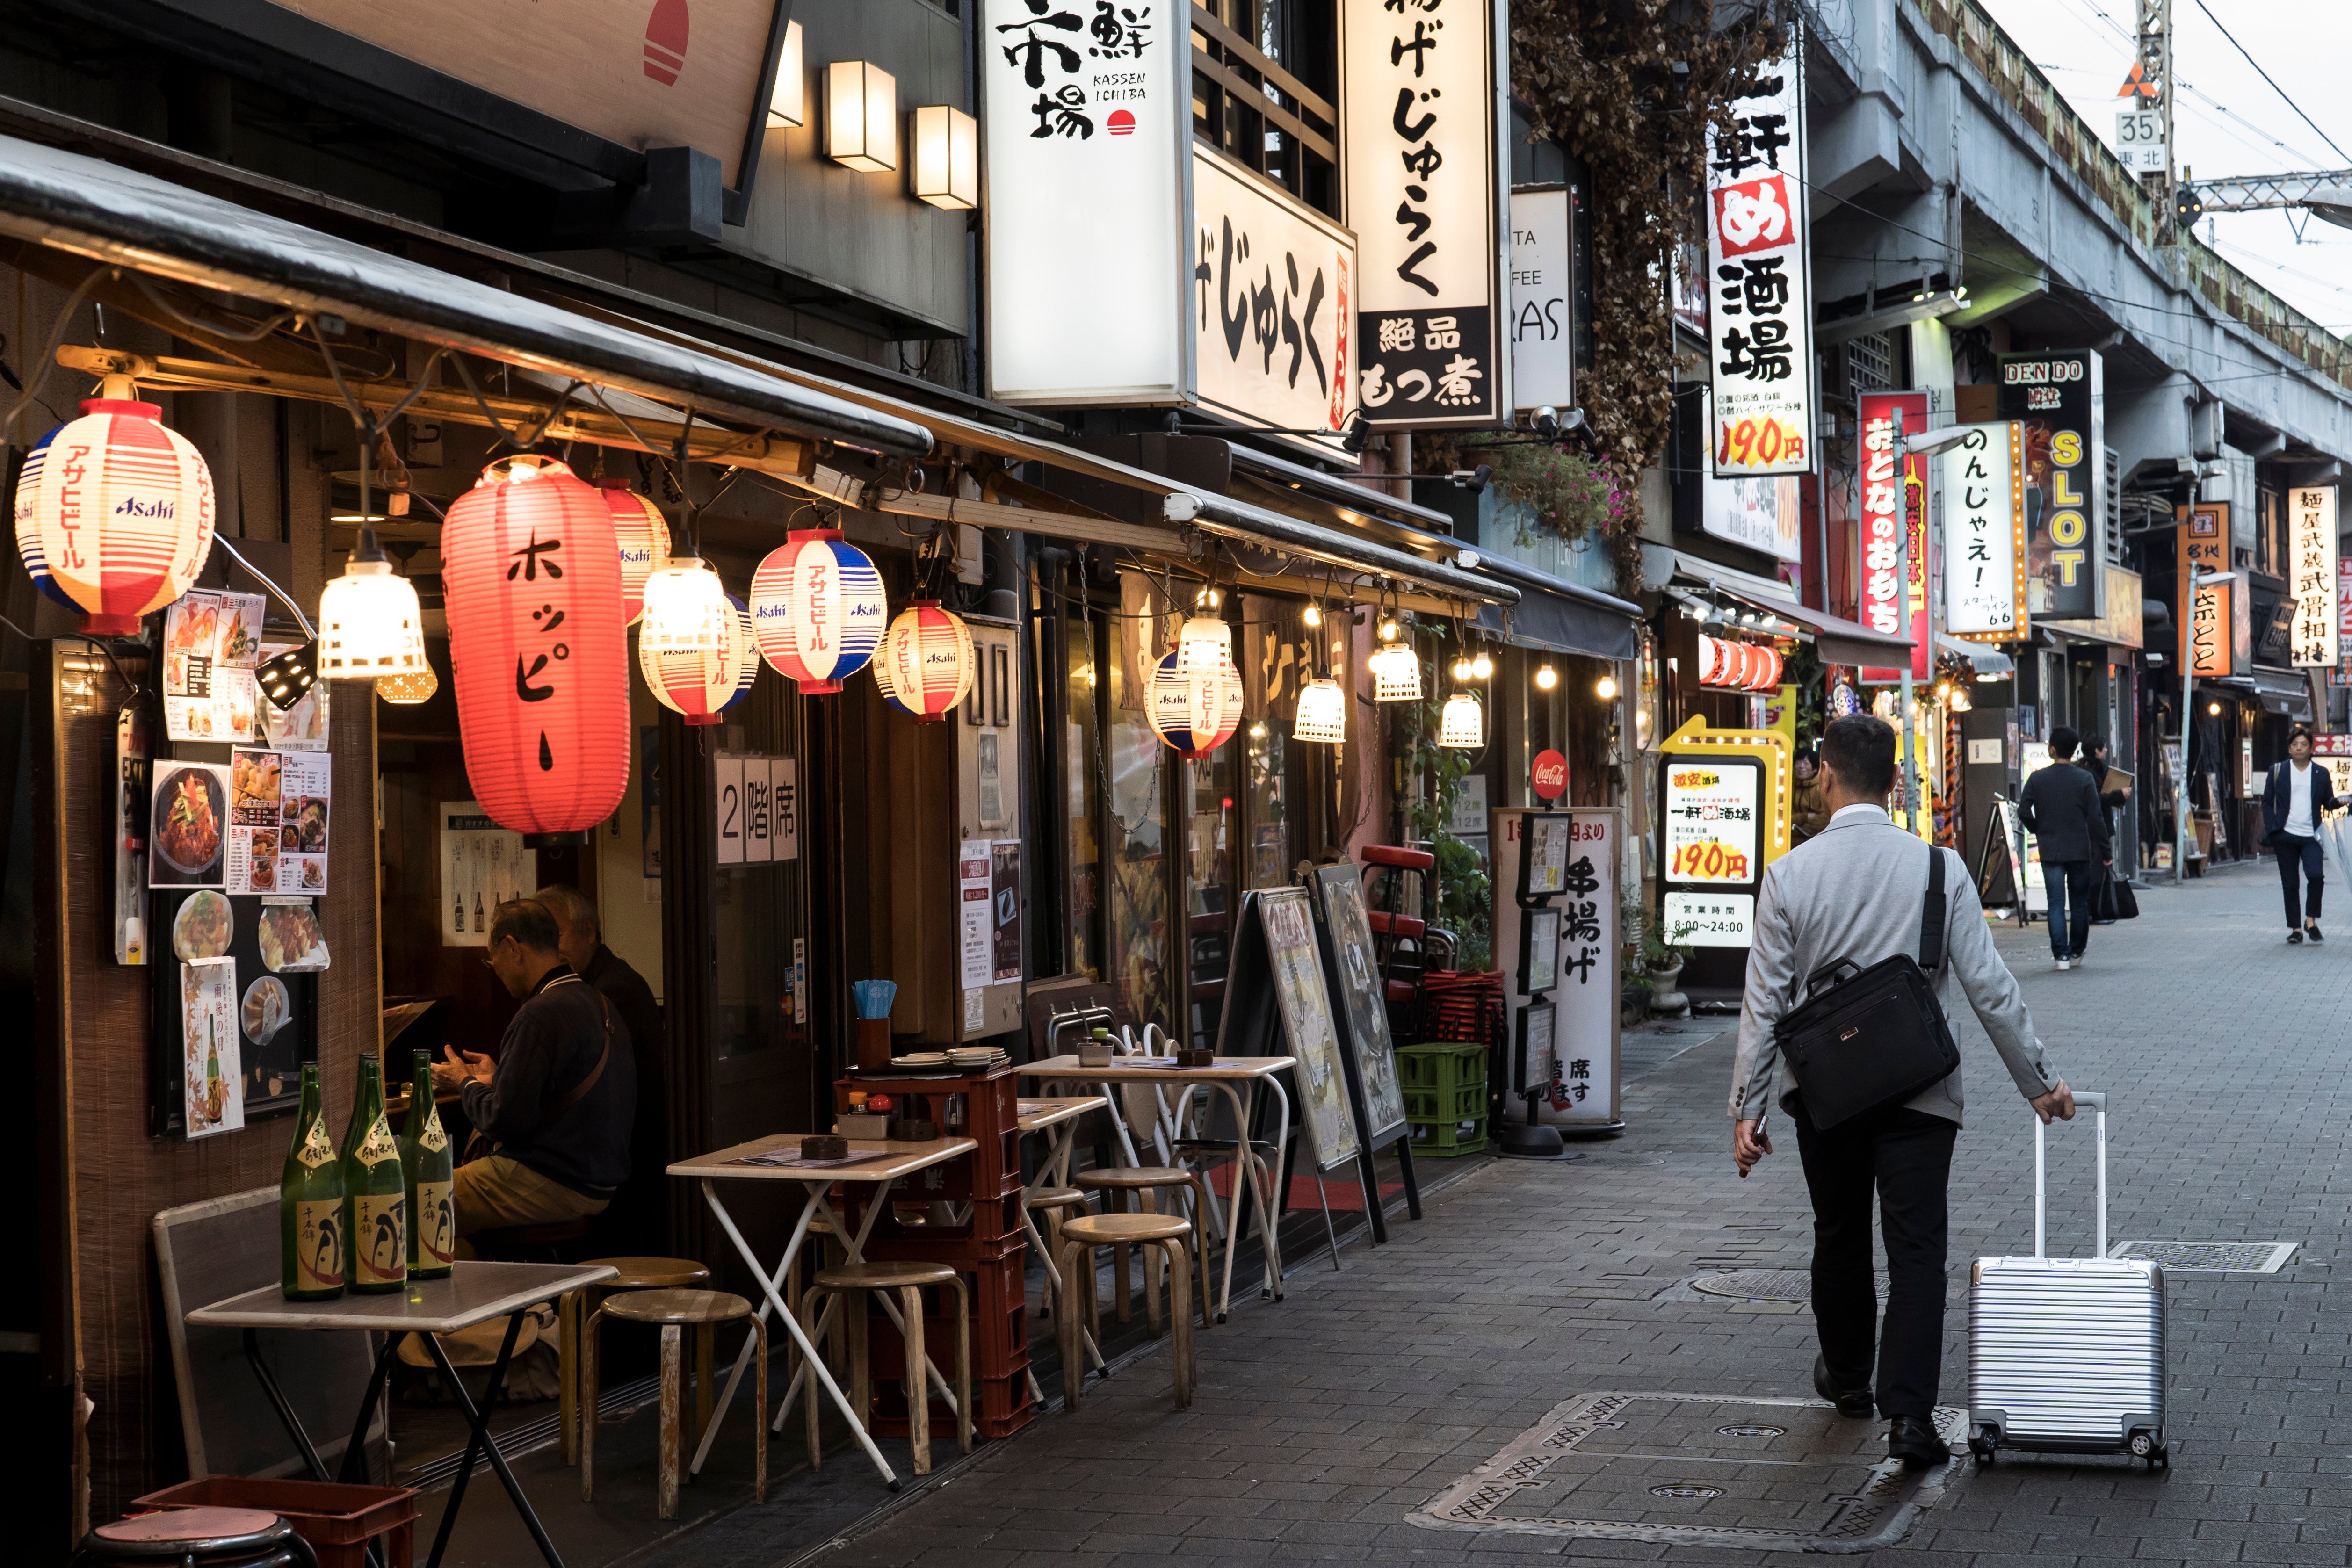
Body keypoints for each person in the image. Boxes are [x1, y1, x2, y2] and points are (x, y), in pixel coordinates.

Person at [1730, 714, 2074, 1468]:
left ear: (1824, 777)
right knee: (1918, 1250)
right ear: (1895, 782)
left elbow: (1765, 1002)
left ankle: (1850, 1378)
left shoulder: (1790, 874)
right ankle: (1910, 1418)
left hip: (1827, 1096)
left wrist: (1748, 1110)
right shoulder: (1937, 868)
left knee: (1840, 1235)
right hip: (1921, 1091)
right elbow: (1988, 985)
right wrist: (2039, 1080)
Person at [434, 900, 636, 1244]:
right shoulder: (595, 1000)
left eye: (492, 957)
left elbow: (505, 1120)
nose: (494, 969)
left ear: (512, 947)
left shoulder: (539, 1013)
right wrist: (500, 1076)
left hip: (555, 1175)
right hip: (599, 1175)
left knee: (419, 1201)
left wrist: (462, 1080)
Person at [532, 884, 668, 1249]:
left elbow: (574, 1076)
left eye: (555, 933)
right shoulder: (591, 984)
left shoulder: (609, 990)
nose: (548, 946)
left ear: (589, 932)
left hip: (628, 1163)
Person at [2018, 726, 2111, 970]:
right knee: (2080, 903)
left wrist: (2038, 828)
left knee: (2056, 903)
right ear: (2074, 750)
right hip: (2080, 849)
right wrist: (2106, 851)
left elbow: (2023, 810)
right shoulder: (2085, 779)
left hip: (2051, 849)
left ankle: (2061, 956)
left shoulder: (2038, 779)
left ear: (2052, 749)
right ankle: (2077, 951)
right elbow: (2096, 818)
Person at [2261, 726, 2340, 944]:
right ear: (2289, 748)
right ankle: (2296, 929)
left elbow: (2329, 803)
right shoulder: (2278, 771)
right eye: (2295, 745)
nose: (2299, 748)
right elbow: (2267, 803)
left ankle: (2311, 920)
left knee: (2316, 876)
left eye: (2303, 745)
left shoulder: (2321, 773)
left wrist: (2340, 802)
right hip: (2284, 836)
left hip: (2311, 835)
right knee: (2290, 882)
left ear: (2311, 748)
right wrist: (2272, 825)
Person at [1791, 749, 1831, 841]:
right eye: (1798, 762)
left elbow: (1827, 819)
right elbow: (1784, 818)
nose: (1801, 767)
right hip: (1791, 841)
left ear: (1815, 769)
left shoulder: (1822, 789)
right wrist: (1806, 817)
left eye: (1806, 763)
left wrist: (1802, 829)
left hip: (1818, 840)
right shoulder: (1789, 787)